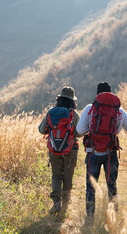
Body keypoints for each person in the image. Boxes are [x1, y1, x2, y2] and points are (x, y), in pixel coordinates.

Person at [76, 82, 127, 218]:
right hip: (111, 153)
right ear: (111, 93)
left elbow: (79, 130)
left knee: (91, 187)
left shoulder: (89, 108)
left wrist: (91, 128)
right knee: (112, 186)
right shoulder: (119, 111)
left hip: (93, 152)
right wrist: (118, 125)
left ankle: (90, 218)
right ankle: (114, 216)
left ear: (97, 94)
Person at [38, 86, 83, 214]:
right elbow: (79, 133)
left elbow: (41, 130)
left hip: (53, 150)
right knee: (68, 176)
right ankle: (66, 203)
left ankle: (56, 203)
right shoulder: (73, 114)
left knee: (56, 175)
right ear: (72, 101)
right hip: (70, 149)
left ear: (59, 99)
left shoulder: (51, 112)